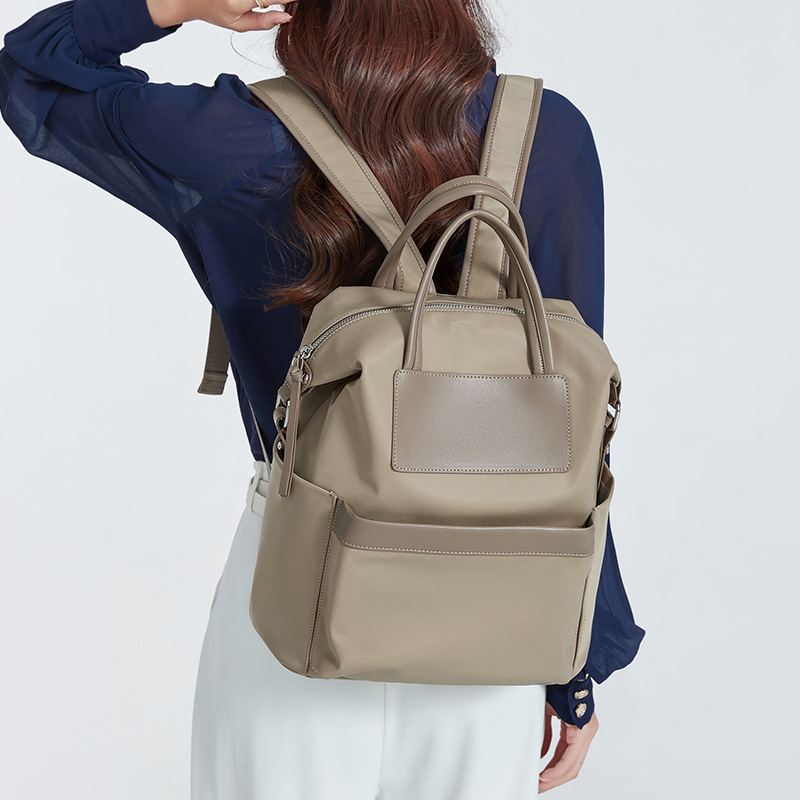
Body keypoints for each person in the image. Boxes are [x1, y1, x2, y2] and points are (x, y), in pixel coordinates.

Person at [0, 0, 645, 797]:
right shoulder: (547, 134)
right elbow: (572, 431)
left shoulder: (234, 139)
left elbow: (30, 70)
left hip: (293, 586)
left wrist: (178, 4)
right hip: (501, 596)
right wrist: (576, 658)